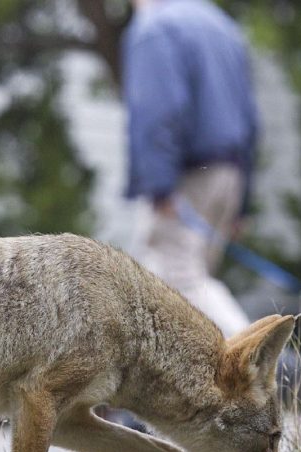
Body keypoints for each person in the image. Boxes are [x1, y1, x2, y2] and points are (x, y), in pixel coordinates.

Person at [122, 0, 257, 338]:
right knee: (192, 286)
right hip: (230, 174)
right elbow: (252, 120)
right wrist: (241, 204)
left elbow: (157, 113)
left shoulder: (155, 29)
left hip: (188, 177)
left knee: (174, 281)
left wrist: (159, 186)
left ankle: (267, 369)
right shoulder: (223, 26)